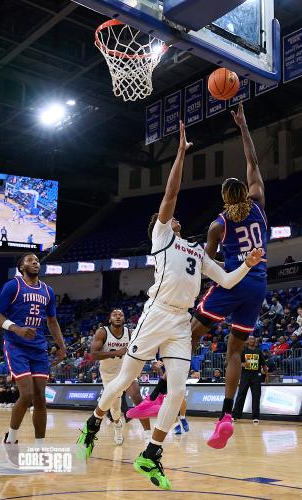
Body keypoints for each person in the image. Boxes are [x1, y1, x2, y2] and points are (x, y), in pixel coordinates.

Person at [76, 122, 264, 490]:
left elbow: (226, 281)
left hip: (180, 322)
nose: (175, 216)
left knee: (178, 392)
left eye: (175, 217)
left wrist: (249, 263)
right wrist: (180, 153)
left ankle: (151, 454)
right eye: (170, 215)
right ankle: (94, 421)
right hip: (156, 314)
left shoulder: (195, 250)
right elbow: (171, 192)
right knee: (124, 381)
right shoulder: (162, 238)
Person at [190, 103, 268, 450]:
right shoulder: (260, 202)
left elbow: (205, 265)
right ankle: (226, 415)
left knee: (190, 335)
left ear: (224, 198)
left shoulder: (218, 225)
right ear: (245, 191)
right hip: (259, 286)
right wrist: (243, 125)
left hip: (233, 279)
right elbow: (252, 161)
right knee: (234, 351)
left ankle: (164, 392)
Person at [0, 253, 66, 451]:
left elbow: (52, 321)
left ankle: (39, 446)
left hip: (39, 348)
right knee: (27, 394)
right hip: (16, 346)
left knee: (41, 397)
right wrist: (16, 328)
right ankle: (11, 437)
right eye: (30, 260)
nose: (35, 263)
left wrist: (61, 345)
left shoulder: (48, 291)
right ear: (21, 266)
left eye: (37, 261)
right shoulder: (12, 286)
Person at [90, 308, 151, 445]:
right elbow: (94, 355)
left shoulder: (130, 333)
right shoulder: (102, 332)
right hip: (109, 375)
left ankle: (148, 436)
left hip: (125, 371)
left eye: (120, 315)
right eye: (114, 315)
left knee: (137, 396)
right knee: (115, 408)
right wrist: (117, 352)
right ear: (110, 319)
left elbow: (140, 349)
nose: (118, 317)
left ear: (124, 319)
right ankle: (117, 425)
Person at [232, 336, 268, 424]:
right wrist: (242, 364)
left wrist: (266, 375)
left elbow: (263, 365)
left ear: (255, 341)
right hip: (245, 375)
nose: (252, 340)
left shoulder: (259, 351)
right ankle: (236, 415)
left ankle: (255, 417)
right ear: (247, 341)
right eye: (250, 339)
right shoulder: (243, 351)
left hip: (256, 376)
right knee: (241, 395)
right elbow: (237, 362)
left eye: (253, 339)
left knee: (256, 397)